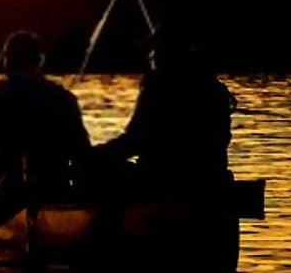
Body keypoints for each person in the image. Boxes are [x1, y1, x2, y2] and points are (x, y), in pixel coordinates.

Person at [94, 21, 236, 194]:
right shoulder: (214, 87)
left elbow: (135, 140)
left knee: (97, 172)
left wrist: (98, 156)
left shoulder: (157, 88)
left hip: (162, 180)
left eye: (157, 49)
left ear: (171, 52)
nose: (152, 55)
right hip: (209, 178)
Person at [0, 30, 91, 199]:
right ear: (40, 60)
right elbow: (82, 152)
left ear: (7, 62)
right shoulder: (63, 98)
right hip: (53, 189)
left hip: (4, 191)